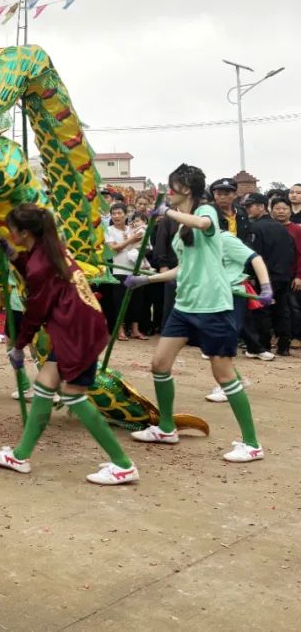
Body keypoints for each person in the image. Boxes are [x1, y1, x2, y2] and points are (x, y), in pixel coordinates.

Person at [0, 204, 139, 485]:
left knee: (72, 393)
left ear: (25, 232)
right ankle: (20, 456)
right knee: (44, 384)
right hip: (79, 325)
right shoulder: (50, 247)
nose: (8, 232)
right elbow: (31, 266)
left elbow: (35, 311)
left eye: (12, 229)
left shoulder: (42, 261)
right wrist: (11, 253)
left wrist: (18, 346)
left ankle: (123, 464)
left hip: (77, 332)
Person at [127, 164, 263, 462]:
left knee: (223, 374)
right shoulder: (181, 228)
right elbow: (183, 268)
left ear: (185, 189)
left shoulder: (208, 212)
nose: (168, 192)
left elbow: (202, 224)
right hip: (184, 305)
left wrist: (166, 212)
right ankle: (165, 428)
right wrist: (146, 280)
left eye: (171, 187)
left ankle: (251, 443)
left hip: (213, 305)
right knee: (159, 363)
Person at [240, 193, 295, 358]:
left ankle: (262, 346)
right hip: (284, 275)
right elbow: (290, 252)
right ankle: (284, 345)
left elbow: (253, 255)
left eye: (251, 205)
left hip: (265, 277)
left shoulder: (256, 228)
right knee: (281, 310)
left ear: (262, 207)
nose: (248, 209)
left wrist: (249, 275)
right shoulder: (281, 228)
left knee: (261, 311)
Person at [104, 204, 142, 341]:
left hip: (135, 269)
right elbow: (114, 248)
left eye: (119, 213)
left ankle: (135, 330)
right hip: (119, 269)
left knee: (136, 301)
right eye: (113, 213)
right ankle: (119, 330)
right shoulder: (108, 230)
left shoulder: (132, 229)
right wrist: (131, 240)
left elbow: (141, 244)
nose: (116, 216)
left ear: (126, 215)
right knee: (119, 301)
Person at [270, 197, 301, 349]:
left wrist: (299, 276)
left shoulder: (297, 230)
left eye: (284, 208)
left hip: (292, 275)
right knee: (274, 307)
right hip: (272, 275)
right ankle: (277, 334)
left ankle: (296, 336)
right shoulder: (268, 228)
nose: (281, 211)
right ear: (271, 210)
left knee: (293, 307)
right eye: (277, 208)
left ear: (290, 211)